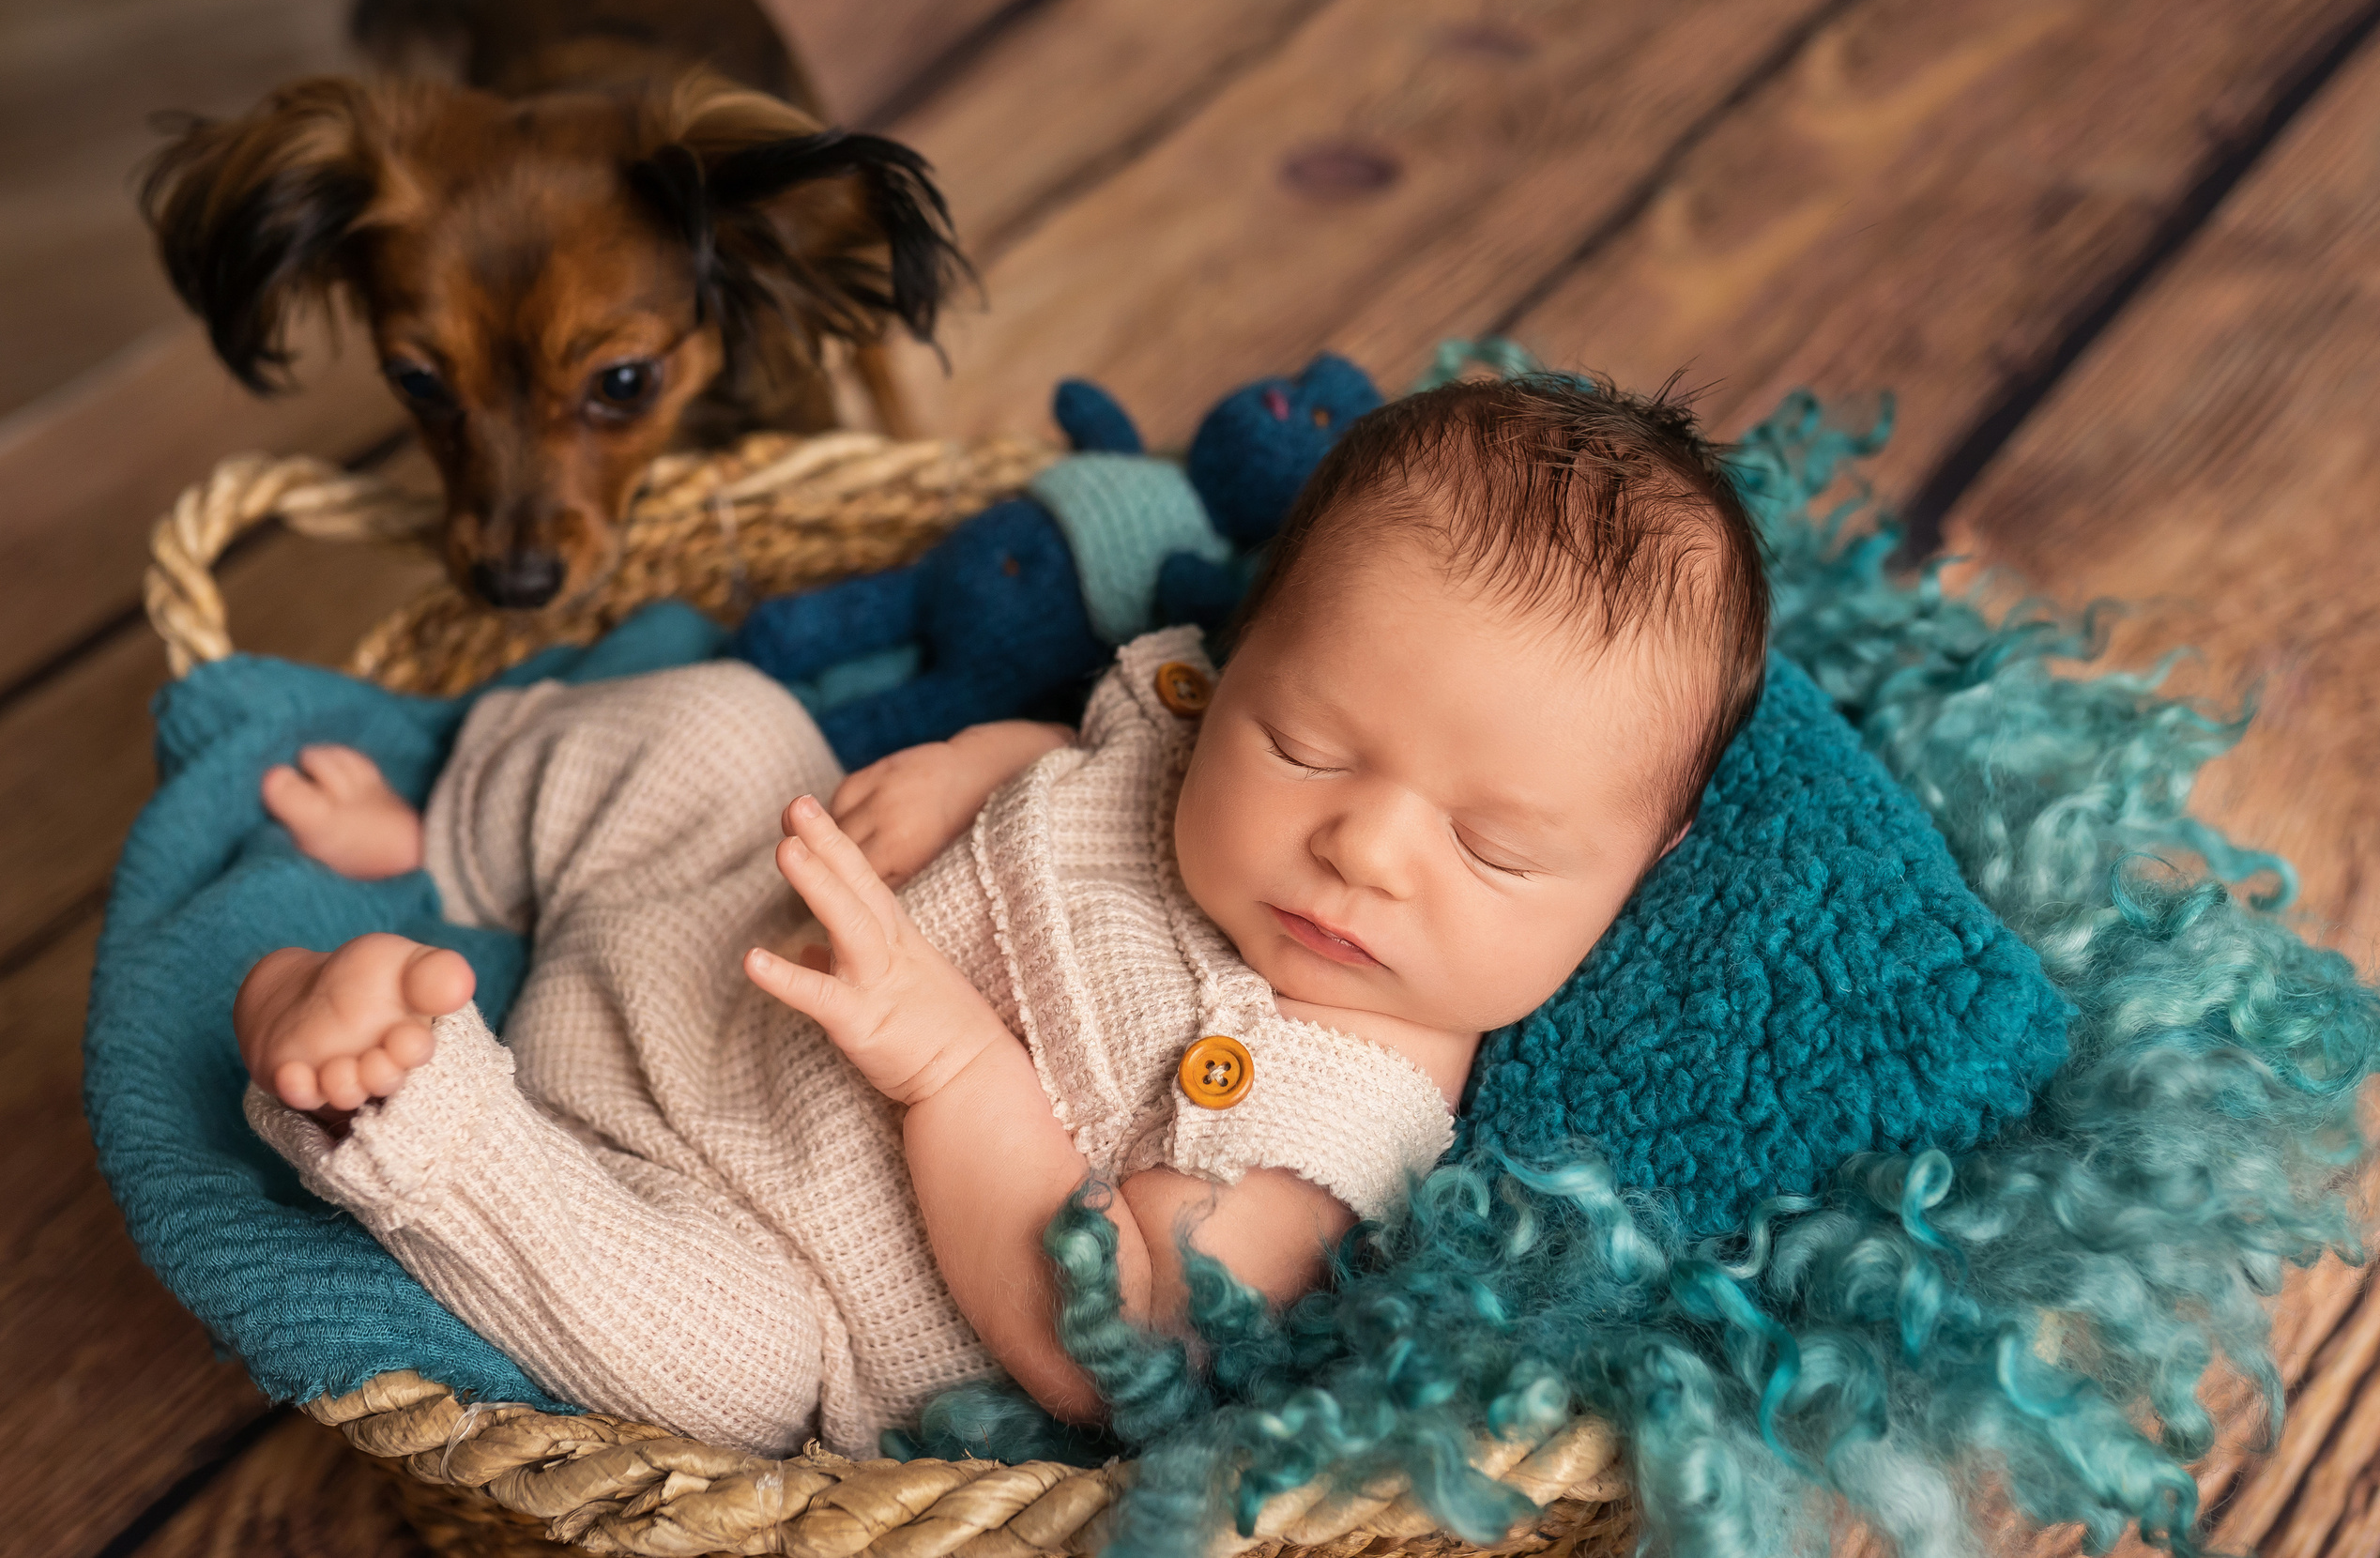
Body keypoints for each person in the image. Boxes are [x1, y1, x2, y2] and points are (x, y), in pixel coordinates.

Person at [231, 374, 1771, 1456]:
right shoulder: (1183, 720)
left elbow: (1117, 1335)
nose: (1361, 845)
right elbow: (1100, 754)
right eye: (1304, 744)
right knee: (728, 728)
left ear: (1644, 865)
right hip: (708, 923)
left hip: (748, 1233)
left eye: (1495, 848)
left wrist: (959, 1067)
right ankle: (446, 823)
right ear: (1238, 659)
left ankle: (399, 1092)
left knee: (729, 1375)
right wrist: (991, 761)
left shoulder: (1342, 1118)